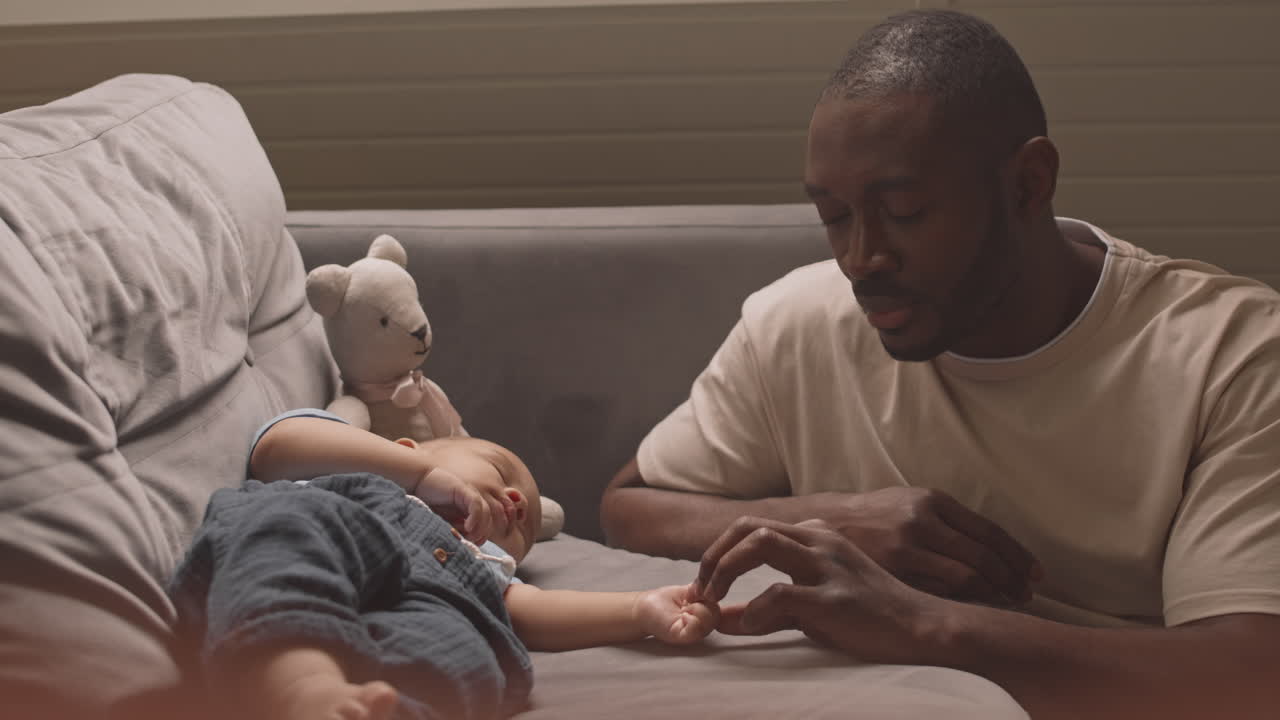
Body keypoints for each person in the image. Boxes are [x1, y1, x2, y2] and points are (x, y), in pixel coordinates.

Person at [599, 9, 1280, 719]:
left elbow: (1255, 673)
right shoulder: (797, 323)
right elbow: (631, 506)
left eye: (904, 209)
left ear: (1028, 183)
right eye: (834, 215)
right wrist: (830, 521)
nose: (863, 258)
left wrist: (924, 625)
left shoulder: (1233, 355)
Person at [170, 410, 718, 720]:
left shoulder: (483, 565)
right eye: (499, 468)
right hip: (333, 531)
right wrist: (416, 474)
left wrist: (640, 608)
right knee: (286, 527)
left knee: (480, 651)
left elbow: (536, 613)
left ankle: (384, 708)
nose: (515, 501)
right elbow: (273, 446)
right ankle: (298, 687)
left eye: (523, 528)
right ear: (407, 447)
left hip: (434, 599)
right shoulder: (369, 470)